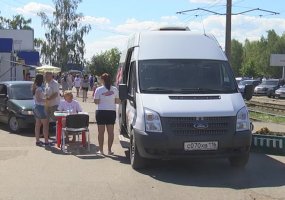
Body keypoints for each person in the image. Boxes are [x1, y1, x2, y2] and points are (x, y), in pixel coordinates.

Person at [94, 73, 120, 155]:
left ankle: (101, 150)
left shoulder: (99, 89)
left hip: (101, 112)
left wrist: (103, 98)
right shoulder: (115, 89)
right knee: (110, 132)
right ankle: (109, 150)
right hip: (111, 112)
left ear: (102, 80)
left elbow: (96, 102)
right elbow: (117, 101)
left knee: (101, 132)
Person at [32, 74, 49, 146]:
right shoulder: (39, 89)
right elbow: (39, 99)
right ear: (41, 79)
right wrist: (46, 99)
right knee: (45, 125)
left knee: (38, 124)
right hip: (40, 107)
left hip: (36, 107)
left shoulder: (36, 87)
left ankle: (37, 141)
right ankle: (46, 141)